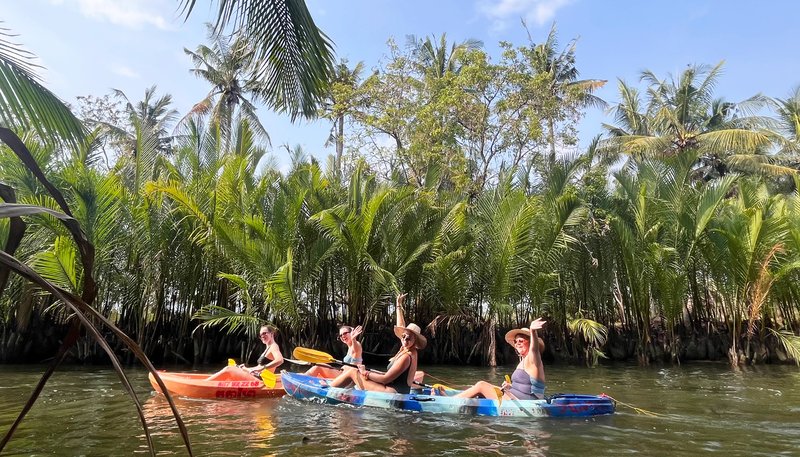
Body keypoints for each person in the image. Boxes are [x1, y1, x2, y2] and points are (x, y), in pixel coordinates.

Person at [328, 293, 425, 394]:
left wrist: (365, 373)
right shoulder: (408, 349)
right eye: (403, 336)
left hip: (393, 392)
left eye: (408, 338)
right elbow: (401, 326)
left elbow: (385, 379)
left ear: (415, 340)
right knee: (362, 372)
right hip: (394, 389)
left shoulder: (406, 356)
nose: (405, 339)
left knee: (353, 371)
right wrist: (398, 305)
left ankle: (327, 389)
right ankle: (341, 387)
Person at [452, 318, 546, 400]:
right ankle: (460, 398)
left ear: (530, 342)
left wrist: (533, 331)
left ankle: (452, 401)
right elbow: (526, 385)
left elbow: (534, 350)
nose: (517, 343)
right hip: (516, 396)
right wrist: (510, 386)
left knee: (481, 385)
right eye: (516, 341)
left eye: (521, 341)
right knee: (480, 391)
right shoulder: (523, 361)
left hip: (527, 401)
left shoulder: (533, 359)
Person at [207, 324, 284, 381]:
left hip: (262, 380)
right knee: (235, 369)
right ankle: (208, 382)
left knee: (228, 369)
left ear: (272, 334)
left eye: (264, 333)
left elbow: (280, 360)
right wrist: (245, 369)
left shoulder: (274, 346)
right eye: (260, 335)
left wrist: (263, 367)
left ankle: (206, 383)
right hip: (257, 376)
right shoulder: (268, 347)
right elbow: (258, 368)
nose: (262, 336)